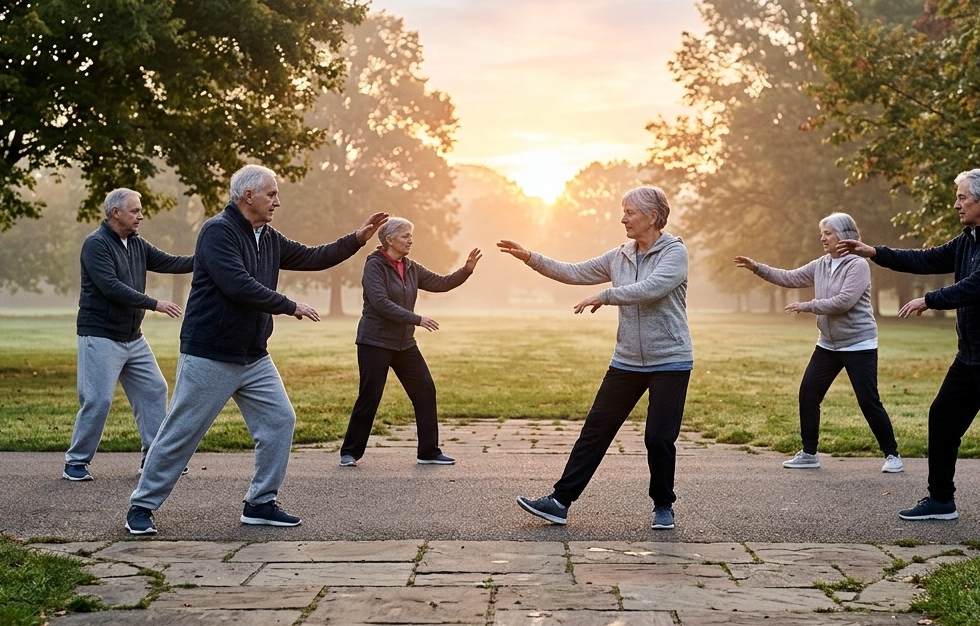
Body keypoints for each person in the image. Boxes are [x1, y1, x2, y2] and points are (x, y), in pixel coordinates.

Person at [124, 164, 387, 536]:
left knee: (280, 420)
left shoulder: (269, 236)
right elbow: (238, 285)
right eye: (271, 194)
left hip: (253, 356)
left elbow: (314, 257)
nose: (277, 201)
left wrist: (357, 238)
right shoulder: (218, 232)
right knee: (180, 432)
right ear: (248, 196)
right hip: (210, 353)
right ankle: (142, 505)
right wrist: (288, 304)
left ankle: (260, 502)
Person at [834, 168, 980, 534]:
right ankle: (941, 499)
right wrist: (874, 252)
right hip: (972, 354)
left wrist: (930, 299)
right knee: (942, 418)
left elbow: (978, 286)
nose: (956, 204)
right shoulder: (969, 239)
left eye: (962, 198)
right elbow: (926, 259)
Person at [499, 185, 692, 531]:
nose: (623, 218)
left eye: (630, 212)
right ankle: (559, 502)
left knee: (659, 438)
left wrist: (606, 295)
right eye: (623, 211)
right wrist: (531, 257)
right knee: (595, 431)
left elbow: (653, 289)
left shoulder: (674, 254)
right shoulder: (619, 256)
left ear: (652, 216)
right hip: (627, 360)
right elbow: (574, 272)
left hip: (670, 360)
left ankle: (663, 505)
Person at [735, 212, 902, 474]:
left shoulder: (857, 265)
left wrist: (808, 306)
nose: (822, 238)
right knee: (808, 394)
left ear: (844, 235)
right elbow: (790, 278)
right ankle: (809, 453)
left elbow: (844, 301)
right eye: (822, 233)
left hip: (858, 343)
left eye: (828, 233)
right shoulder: (822, 264)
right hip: (828, 344)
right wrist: (758, 268)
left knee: (868, 400)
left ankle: (892, 454)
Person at [63, 188, 193, 482]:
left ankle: (155, 458)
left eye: (140, 210)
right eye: (134, 211)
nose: (140, 216)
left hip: (133, 337)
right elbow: (111, 287)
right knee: (97, 400)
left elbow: (171, 262)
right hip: (100, 336)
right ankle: (76, 461)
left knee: (154, 389)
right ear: (115, 213)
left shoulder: (136, 244)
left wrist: (208, 257)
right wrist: (154, 303)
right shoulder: (96, 245)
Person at [339, 217, 482, 467]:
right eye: (405, 235)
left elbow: (441, 283)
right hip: (375, 342)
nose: (410, 240)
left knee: (425, 391)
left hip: (404, 344)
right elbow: (381, 303)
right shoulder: (375, 266)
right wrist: (417, 319)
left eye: (410, 236)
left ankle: (428, 451)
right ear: (390, 239)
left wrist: (466, 270)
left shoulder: (411, 267)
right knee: (370, 396)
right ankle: (350, 452)